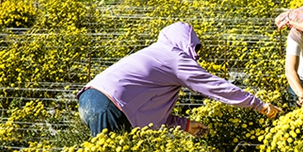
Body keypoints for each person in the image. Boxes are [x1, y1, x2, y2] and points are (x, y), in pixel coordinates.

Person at [79, 21, 282, 137]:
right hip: (109, 106)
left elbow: (147, 111)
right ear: (183, 42)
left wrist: (185, 125)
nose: (197, 55)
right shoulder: (174, 58)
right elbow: (215, 87)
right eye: (194, 48)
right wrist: (259, 105)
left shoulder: (157, 55)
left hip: (93, 100)